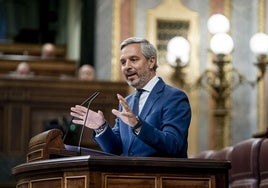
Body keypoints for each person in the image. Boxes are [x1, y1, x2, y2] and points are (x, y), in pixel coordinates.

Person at [70, 37, 191, 158]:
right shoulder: (127, 101)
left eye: (133, 59)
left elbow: (174, 145)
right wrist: (101, 127)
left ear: (151, 62)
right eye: (123, 62)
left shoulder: (174, 97)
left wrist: (138, 125)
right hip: (129, 175)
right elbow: (115, 149)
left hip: (161, 175)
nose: (127, 66)